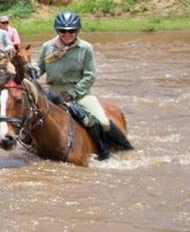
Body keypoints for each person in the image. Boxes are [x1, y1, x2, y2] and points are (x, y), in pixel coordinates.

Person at [27, 11, 135, 160]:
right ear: (57, 31)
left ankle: (115, 149)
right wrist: (34, 71)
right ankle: (29, 148)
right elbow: (40, 67)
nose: (67, 34)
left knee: (103, 121)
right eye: (63, 31)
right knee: (31, 118)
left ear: (77, 31)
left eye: (71, 31)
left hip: (80, 93)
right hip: (53, 93)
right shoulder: (48, 47)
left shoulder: (85, 48)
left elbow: (90, 76)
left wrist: (73, 93)